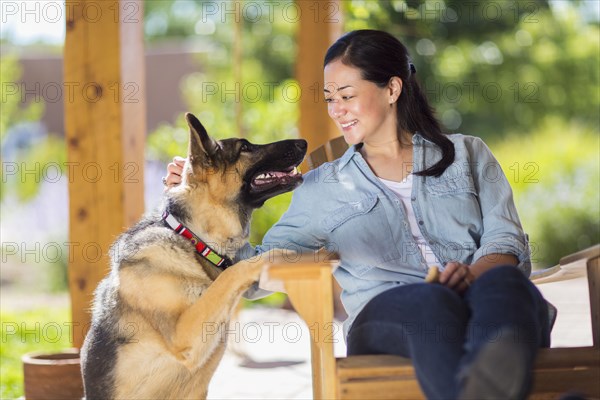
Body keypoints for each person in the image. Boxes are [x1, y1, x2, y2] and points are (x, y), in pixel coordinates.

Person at [164, 29, 551, 400]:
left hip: (484, 309)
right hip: (392, 319)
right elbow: (251, 276)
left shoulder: (468, 155)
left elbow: (506, 241)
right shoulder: (322, 188)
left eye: (346, 95)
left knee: (507, 283)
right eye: (330, 98)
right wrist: (200, 198)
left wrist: (472, 275)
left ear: (392, 89)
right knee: (430, 302)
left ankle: (483, 384)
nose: (337, 110)